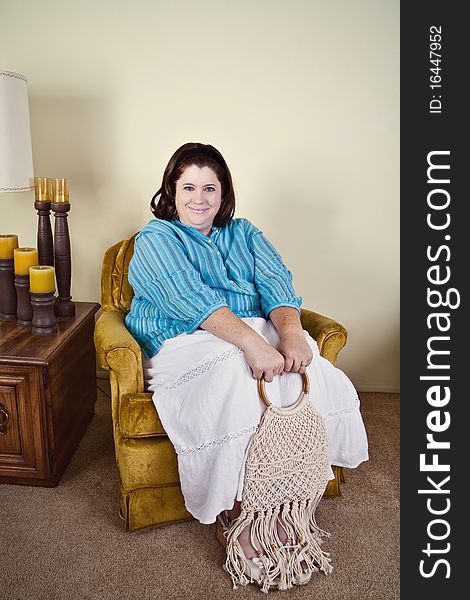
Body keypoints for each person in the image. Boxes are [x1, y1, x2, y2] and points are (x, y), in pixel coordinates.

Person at [125, 142, 368, 588]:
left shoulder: (245, 233)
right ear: (171, 191)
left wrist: (292, 335)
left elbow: (275, 280)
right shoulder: (156, 238)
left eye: (210, 188)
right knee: (238, 379)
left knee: (309, 375)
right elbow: (187, 299)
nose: (199, 198)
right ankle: (244, 520)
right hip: (186, 337)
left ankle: (283, 512)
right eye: (189, 187)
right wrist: (253, 346)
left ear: (223, 194)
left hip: (256, 326)